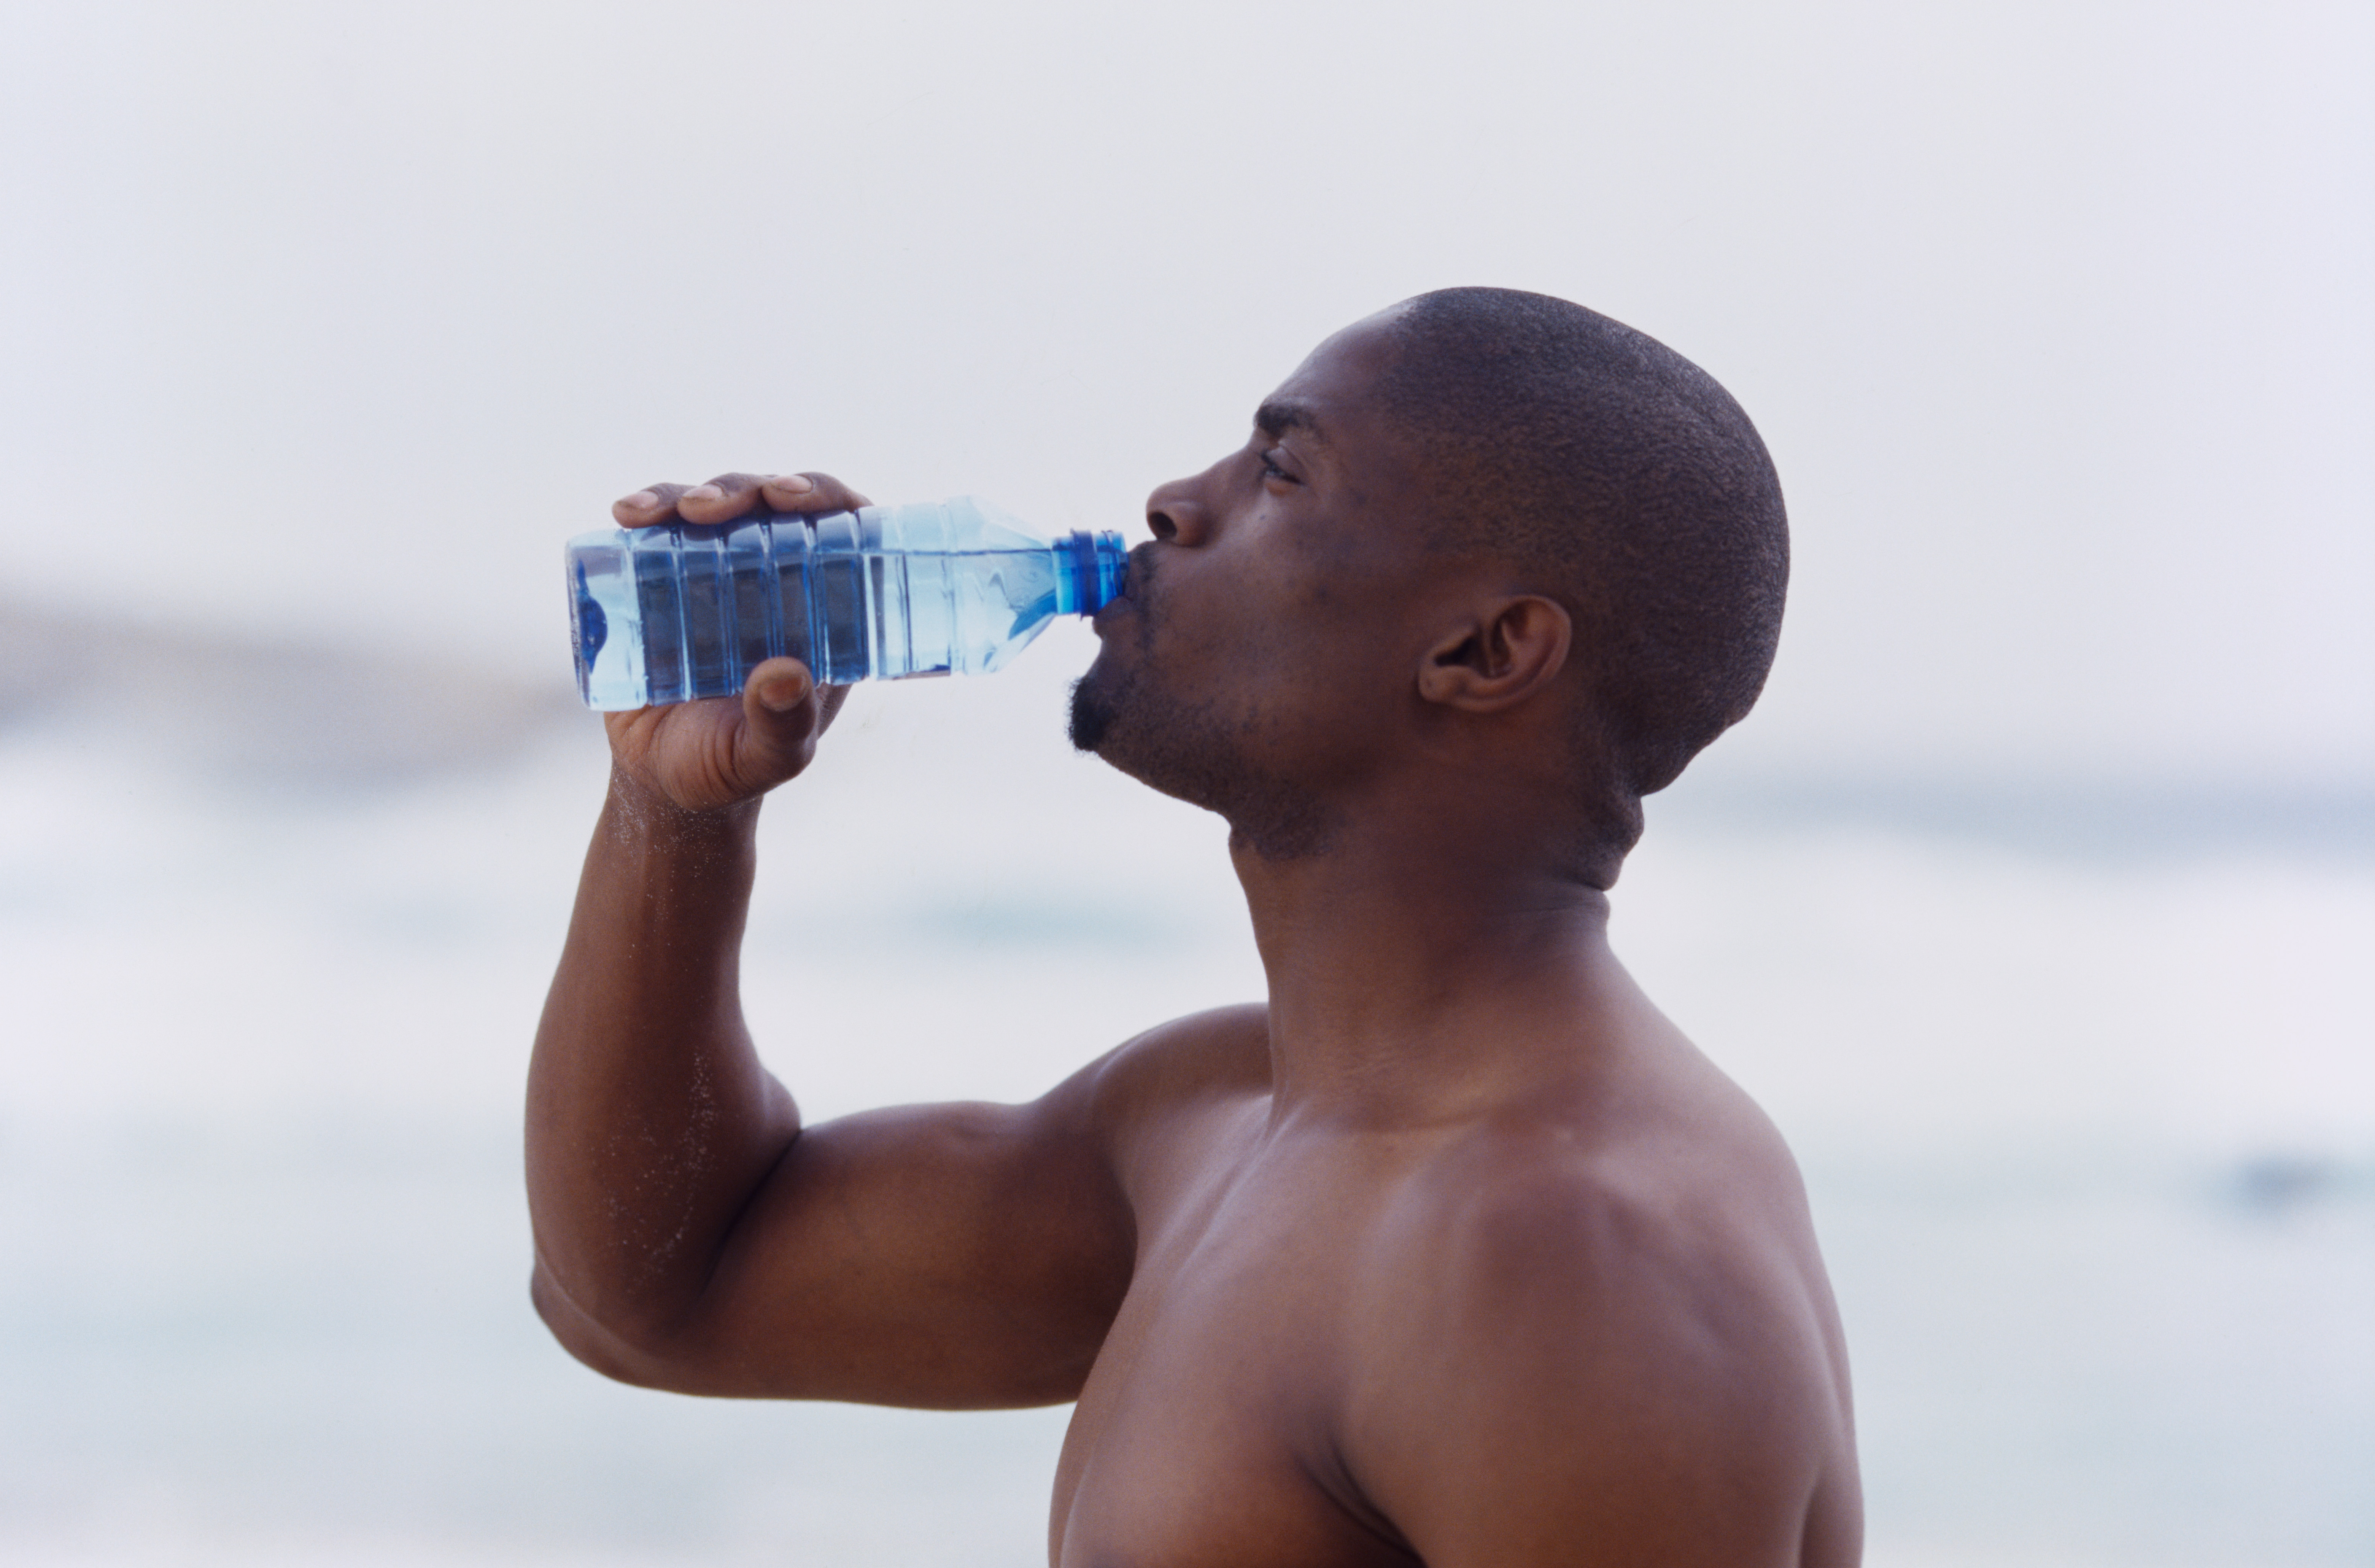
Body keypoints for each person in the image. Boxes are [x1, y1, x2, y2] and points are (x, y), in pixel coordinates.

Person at [527, 287, 1862, 1566]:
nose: (1172, 502)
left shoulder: (1574, 1263)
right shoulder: (1221, 1118)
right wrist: (674, 817)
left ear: (1483, 652)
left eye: (1281, 471)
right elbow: (653, 1294)